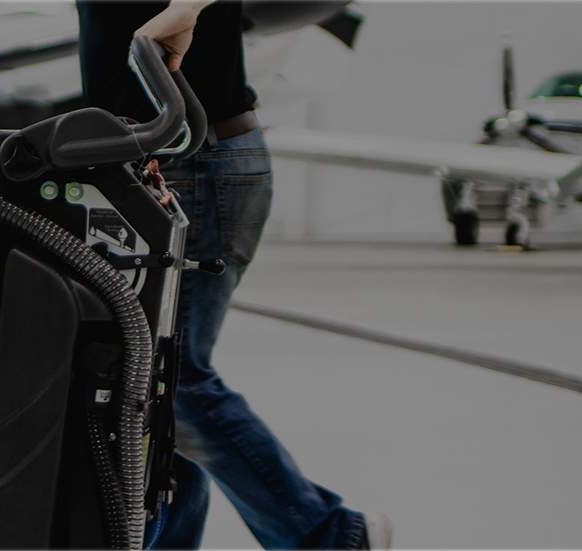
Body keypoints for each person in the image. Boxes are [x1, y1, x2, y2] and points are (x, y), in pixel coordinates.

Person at [76, 1, 390, 548]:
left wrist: (188, 8)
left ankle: (329, 535)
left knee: (176, 383)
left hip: (194, 159)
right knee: (156, 385)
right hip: (161, 158)